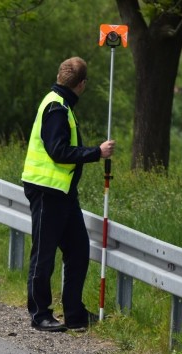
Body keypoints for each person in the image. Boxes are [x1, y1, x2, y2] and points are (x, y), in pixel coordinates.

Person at [21, 56, 115, 332]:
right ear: (82, 84)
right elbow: (58, 152)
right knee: (44, 254)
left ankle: (75, 314)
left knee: (78, 250)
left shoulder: (61, 104)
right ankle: (40, 315)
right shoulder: (56, 108)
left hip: (63, 193)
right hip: (48, 190)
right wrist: (96, 152)